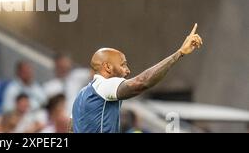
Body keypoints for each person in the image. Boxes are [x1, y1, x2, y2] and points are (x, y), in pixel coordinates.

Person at [71, 23, 203, 133]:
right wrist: (179, 53)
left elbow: (70, 129)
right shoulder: (104, 86)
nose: (127, 71)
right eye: (123, 65)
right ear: (108, 67)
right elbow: (142, 82)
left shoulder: (80, 96)